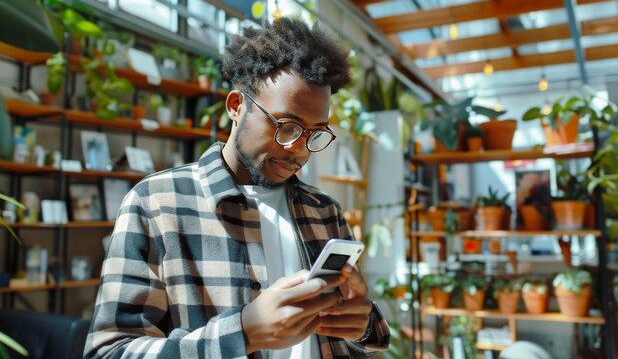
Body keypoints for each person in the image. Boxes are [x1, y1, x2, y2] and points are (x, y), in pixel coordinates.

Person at [84, 18, 389, 358]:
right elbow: (110, 352)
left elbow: (365, 333)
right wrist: (241, 333)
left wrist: (362, 324)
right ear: (236, 106)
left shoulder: (325, 211)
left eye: (314, 133)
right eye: (287, 126)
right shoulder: (157, 203)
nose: (299, 150)